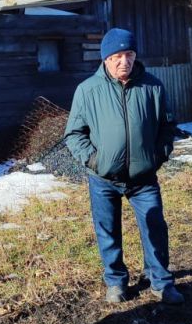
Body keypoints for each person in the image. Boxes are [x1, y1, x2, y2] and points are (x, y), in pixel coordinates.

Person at [65, 27, 182, 304]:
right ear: (106, 59)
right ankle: (116, 282)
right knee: (107, 230)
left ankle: (160, 281)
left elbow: (167, 126)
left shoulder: (152, 86)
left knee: (155, 226)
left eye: (129, 55)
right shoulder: (87, 90)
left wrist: (158, 155)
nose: (124, 62)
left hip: (143, 178)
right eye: (117, 56)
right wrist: (94, 160)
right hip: (104, 178)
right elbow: (73, 133)